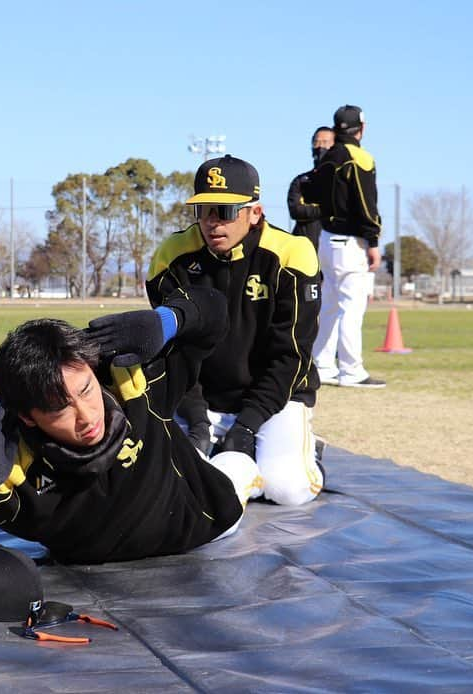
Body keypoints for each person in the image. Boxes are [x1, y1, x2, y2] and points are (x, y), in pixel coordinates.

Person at [0, 286, 260, 566]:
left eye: (86, 390)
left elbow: (215, 307)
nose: (87, 415)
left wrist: (167, 319)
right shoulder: (9, 471)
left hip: (206, 521)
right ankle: (196, 442)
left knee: (255, 472)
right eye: (60, 409)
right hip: (112, 556)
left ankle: (210, 445)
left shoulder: (131, 383)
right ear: (28, 417)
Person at [146, 154, 324, 507]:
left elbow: (290, 356)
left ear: (254, 212)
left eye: (225, 211)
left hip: (276, 401)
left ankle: (309, 456)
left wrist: (247, 425)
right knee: (171, 481)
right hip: (204, 401)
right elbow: (175, 353)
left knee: (286, 489)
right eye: (204, 210)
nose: (212, 223)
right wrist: (196, 420)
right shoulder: (172, 256)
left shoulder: (292, 255)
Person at [304, 104, 386, 388]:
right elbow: (367, 204)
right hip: (351, 243)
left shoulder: (328, 157)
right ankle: (351, 371)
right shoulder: (359, 157)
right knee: (351, 308)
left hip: (325, 240)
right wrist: (373, 239)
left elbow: (309, 190)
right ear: (361, 129)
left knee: (328, 306)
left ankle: (322, 366)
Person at [287, 126, 335, 252]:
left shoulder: (341, 181)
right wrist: (326, 209)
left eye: (325, 142)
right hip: (304, 248)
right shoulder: (301, 180)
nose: (320, 146)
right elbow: (296, 210)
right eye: (316, 142)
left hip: (334, 249)